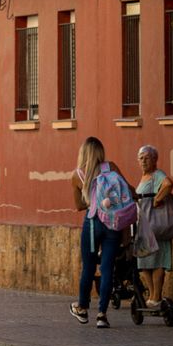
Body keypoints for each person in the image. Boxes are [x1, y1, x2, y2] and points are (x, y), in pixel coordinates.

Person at [70, 136, 130, 327]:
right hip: (113, 223)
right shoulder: (111, 167)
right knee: (107, 269)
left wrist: (91, 197)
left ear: (83, 153)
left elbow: (78, 205)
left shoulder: (77, 175)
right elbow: (127, 190)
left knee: (88, 267)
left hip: (93, 222)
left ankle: (82, 308)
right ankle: (102, 315)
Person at [134, 144, 173, 308]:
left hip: (157, 225)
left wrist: (157, 199)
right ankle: (152, 295)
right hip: (144, 225)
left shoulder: (157, 174)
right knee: (143, 261)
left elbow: (168, 184)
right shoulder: (144, 177)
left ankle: (156, 296)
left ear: (155, 160)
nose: (144, 161)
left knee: (158, 261)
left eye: (147, 158)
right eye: (141, 158)